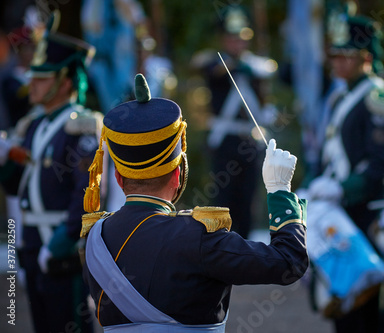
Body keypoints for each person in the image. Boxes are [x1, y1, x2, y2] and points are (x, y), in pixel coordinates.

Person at [80, 73, 308, 331]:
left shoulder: (94, 237)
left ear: (119, 178)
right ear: (179, 174)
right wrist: (279, 190)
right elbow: (289, 262)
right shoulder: (199, 236)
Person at [0, 12, 100, 333]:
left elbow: (86, 193)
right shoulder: (32, 125)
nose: (32, 83)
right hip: (31, 246)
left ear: (65, 80)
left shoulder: (80, 125)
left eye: (42, 77)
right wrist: (4, 164)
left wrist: (60, 243)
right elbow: (19, 186)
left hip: (63, 250)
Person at [305, 11, 384, 333]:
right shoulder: (339, 97)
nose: (339, 63)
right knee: (342, 301)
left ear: (367, 57)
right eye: (336, 56)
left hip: (363, 209)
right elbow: (327, 154)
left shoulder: (378, 97)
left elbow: (381, 166)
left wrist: (343, 189)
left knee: (367, 304)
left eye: (348, 56)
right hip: (335, 210)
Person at [190, 5, 277, 239]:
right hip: (224, 139)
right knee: (222, 198)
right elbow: (208, 68)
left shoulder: (256, 65)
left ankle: (244, 247)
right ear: (223, 39)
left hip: (250, 139)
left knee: (248, 199)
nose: (237, 43)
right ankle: (221, 246)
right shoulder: (214, 62)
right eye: (232, 39)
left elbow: (269, 71)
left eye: (241, 38)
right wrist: (234, 64)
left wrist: (246, 65)